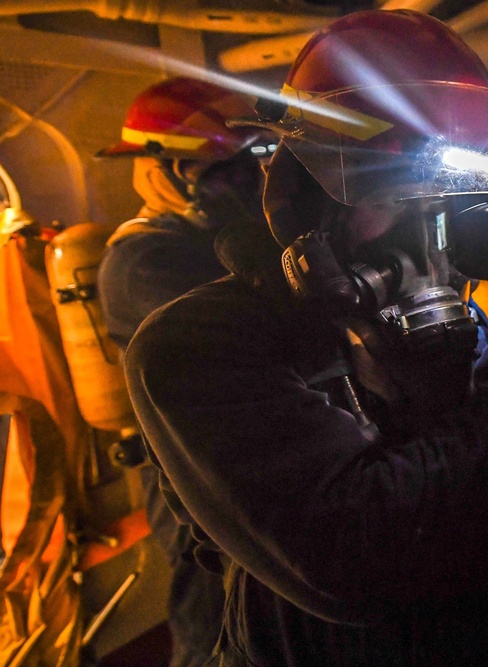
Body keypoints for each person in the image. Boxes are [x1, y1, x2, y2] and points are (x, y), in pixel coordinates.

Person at [121, 10, 488, 666]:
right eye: (397, 198)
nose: (433, 239)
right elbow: (351, 557)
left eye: (448, 205)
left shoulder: (471, 323)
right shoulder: (196, 346)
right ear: (306, 200)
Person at [96, 76, 269, 667]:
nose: (239, 186)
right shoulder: (141, 261)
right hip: (185, 484)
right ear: (159, 170)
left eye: (247, 168)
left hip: (234, 464)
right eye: (218, 173)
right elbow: (254, 337)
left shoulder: (214, 238)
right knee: (211, 627)